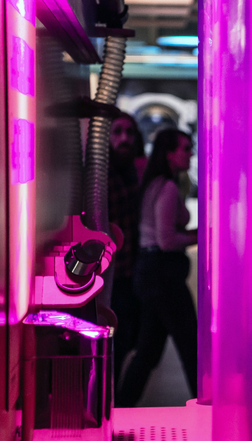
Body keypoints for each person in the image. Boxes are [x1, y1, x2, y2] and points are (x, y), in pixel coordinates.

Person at [117, 128, 199, 406]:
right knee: (191, 347)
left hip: (151, 275)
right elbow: (166, 240)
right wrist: (199, 236)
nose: (190, 153)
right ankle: (206, 410)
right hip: (162, 277)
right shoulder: (167, 187)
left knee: (148, 352)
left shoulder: (157, 184)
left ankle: (121, 409)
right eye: (185, 148)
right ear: (169, 153)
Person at [107, 112, 143, 391]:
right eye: (117, 132)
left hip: (132, 272)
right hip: (108, 278)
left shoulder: (133, 170)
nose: (124, 139)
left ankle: (116, 403)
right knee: (114, 345)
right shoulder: (99, 173)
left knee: (129, 340)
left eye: (129, 133)